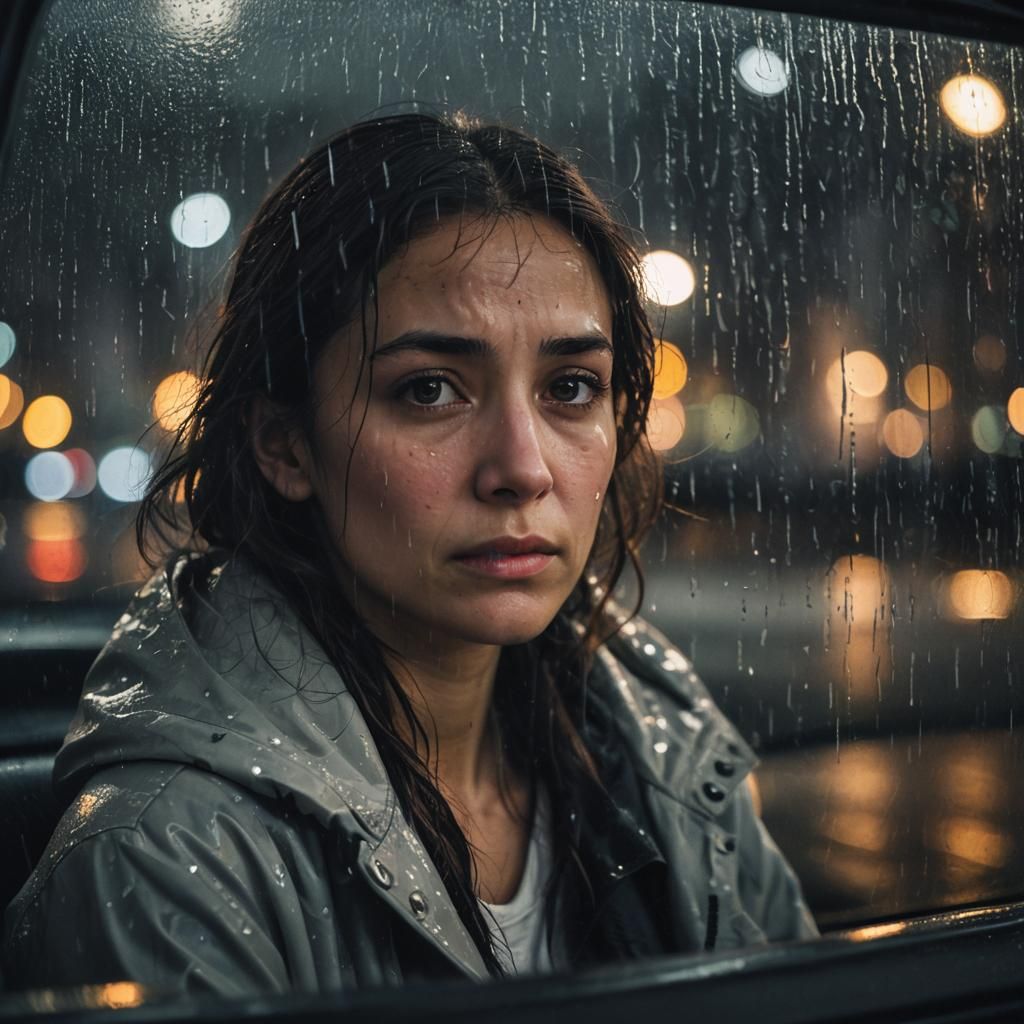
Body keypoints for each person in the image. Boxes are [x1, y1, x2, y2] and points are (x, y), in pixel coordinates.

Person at [3, 111, 817, 995]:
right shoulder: (162, 859)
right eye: (430, 390)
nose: (523, 468)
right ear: (285, 444)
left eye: (571, 387)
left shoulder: (670, 760)